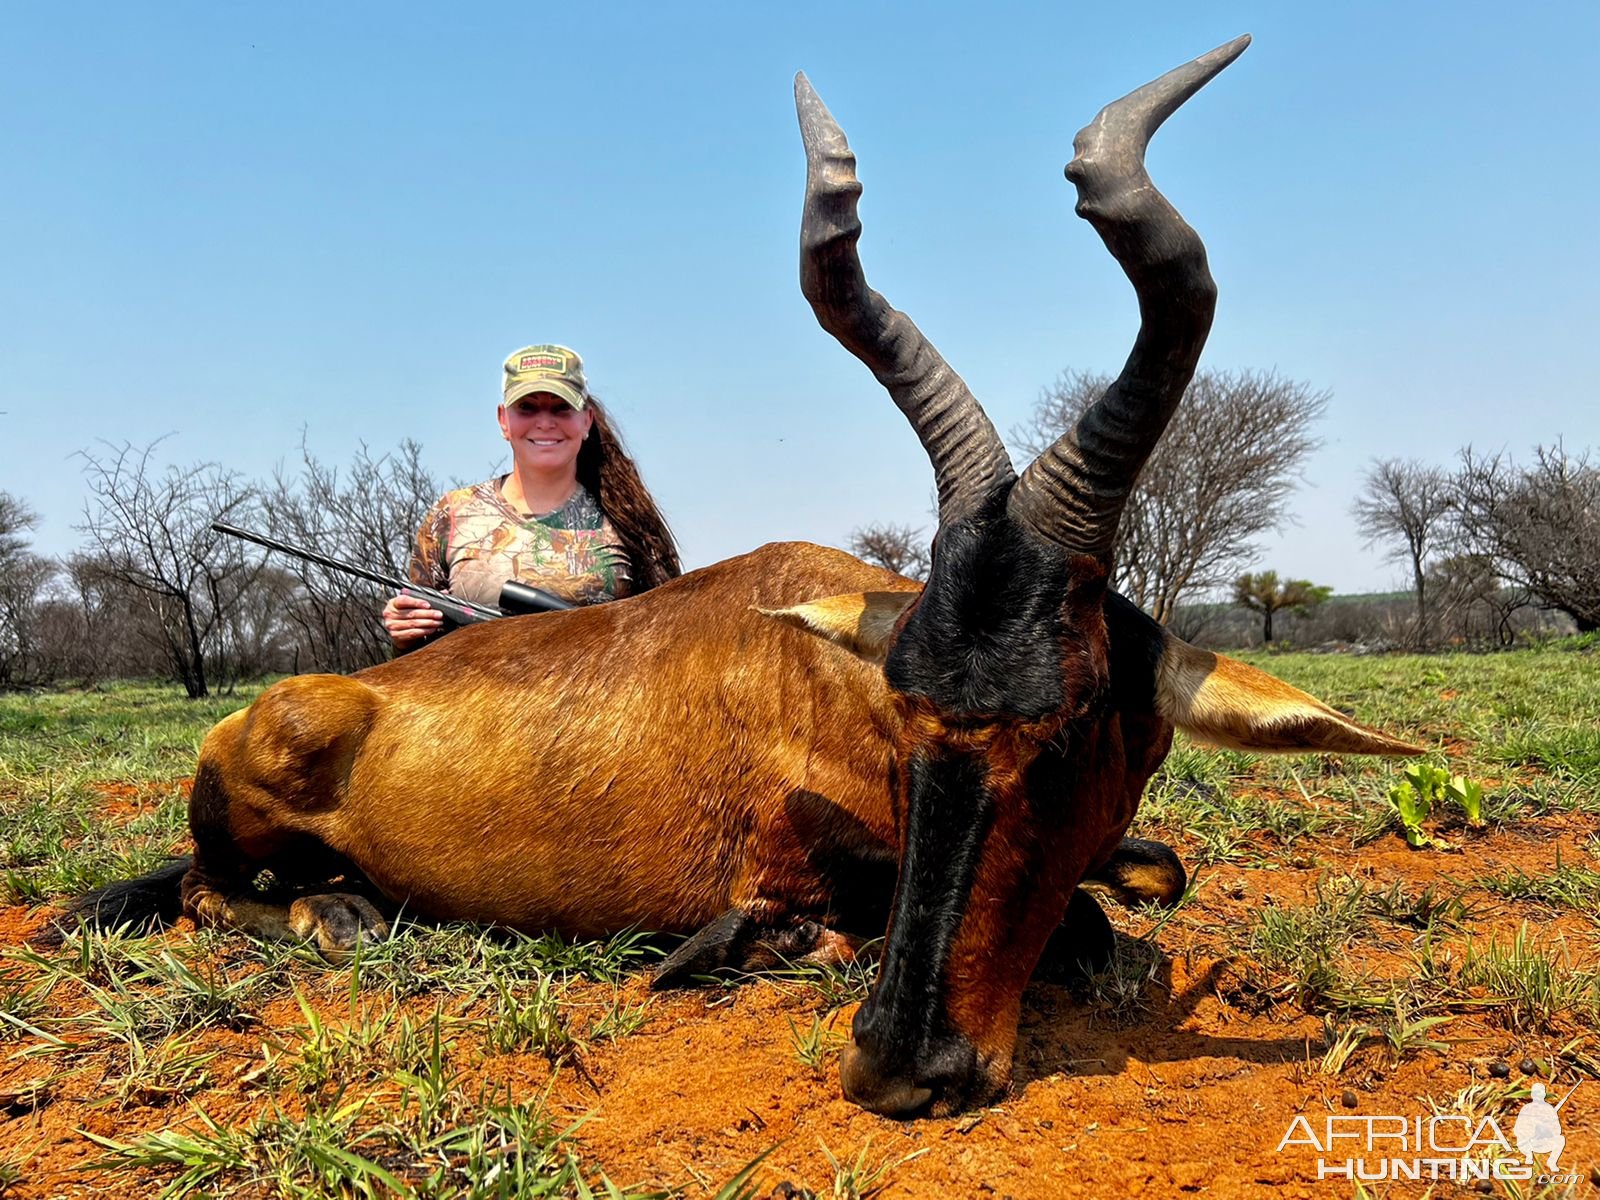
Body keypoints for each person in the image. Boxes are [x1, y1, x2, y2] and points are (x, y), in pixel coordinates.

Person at [383, 344, 680, 649]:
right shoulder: (452, 514)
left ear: (587, 420)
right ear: (503, 420)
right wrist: (405, 630)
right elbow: (414, 652)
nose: (545, 422)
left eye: (561, 407)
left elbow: (671, 639)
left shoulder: (627, 520)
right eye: (527, 407)